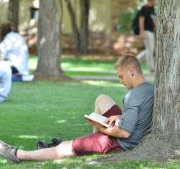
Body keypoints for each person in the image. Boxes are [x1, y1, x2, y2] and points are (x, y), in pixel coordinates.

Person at [0, 54, 154, 162]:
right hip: (130, 133)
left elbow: (124, 133)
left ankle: (17, 154)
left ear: (132, 72)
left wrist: (100, 127)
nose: (121, 81)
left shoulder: (133, 95)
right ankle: (89, 144)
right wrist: (120, 117)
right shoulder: (149, 89)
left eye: (121, 76)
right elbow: (139, 113)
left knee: (67, 147)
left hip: (121, 143)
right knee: (103, 99)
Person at [139, 0, 157, 73]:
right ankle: (151, 68)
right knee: (150, 50)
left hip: (151, 31)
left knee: (150, 50)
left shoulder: (152, 8)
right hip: (146, 31)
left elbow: (153, 20)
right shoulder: (144, 8)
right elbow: (141, 20)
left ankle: (136, 60)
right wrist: (141, 31)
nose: (156, 1)